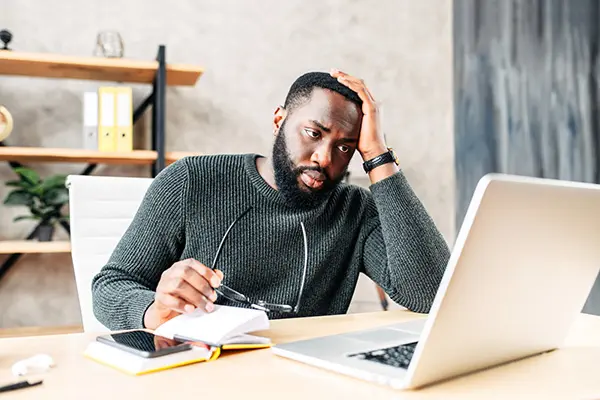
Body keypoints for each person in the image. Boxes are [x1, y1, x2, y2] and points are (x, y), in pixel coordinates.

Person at [91, 69, 451, 331]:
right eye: (313, 133)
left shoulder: (355, 210)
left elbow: (432, 294)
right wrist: (156, 309)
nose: (325, 158)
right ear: (279, 120)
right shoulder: (192, 180)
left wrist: (378, 156)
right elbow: (111, 286)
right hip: (202, 373)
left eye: (345, 146)